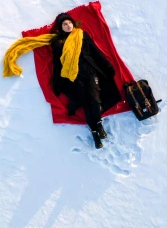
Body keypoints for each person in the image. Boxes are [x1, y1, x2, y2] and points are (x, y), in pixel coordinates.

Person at [50, 13, 121, 149]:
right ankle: (95, 133)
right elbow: (57, 64)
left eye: (69, 22)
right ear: (61, 27)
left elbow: (95, 52)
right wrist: (56, 83)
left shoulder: (82, 35)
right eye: (64, 24)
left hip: (90, 71)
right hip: (73, 77)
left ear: (73, 23)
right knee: (86, 103)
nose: (68, 25)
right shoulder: (58, 43)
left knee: (95, 99)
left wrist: (107, 65)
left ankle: (98, 125)